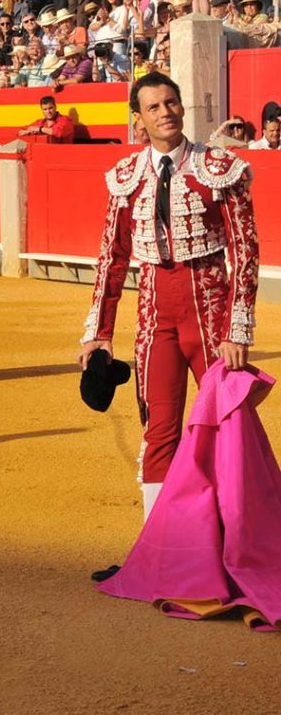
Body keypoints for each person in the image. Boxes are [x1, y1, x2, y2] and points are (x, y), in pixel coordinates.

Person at [80, 73, 259, 520]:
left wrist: (238, 329)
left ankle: (233, 539)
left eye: (171, 103)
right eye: (154, 107)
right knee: (158, 430)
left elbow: (245, 250)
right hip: (155, 311)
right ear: (138, 119)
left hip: (211, 311)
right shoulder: (126, 177)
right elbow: (112, 258)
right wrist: (98, 333)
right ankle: (160, 550)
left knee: (228, 427)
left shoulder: (218, 167)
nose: (166, 113)